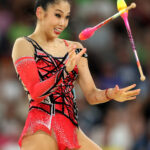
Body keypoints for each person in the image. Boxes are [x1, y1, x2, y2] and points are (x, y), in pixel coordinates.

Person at [11, 0, 140, 150]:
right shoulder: (24, 44)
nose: (62, 23)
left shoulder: (75, 48)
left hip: (72, 131)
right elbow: (35, 93)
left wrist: (110, 94)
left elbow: (91, 95)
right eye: (58, 15)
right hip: (42, 128)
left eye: (66, 17)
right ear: (40, 13)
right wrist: (65, 70)